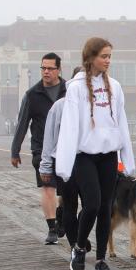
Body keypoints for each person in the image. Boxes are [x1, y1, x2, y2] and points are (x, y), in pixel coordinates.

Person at [55, 38, 134, 270]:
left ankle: (101, 260)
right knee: (91, 204)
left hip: (108, 155)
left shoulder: (116, 87)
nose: (108, 60)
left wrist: (127, 160)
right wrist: (64, 165)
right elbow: (69, 127)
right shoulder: (76, 89)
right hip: (84, 156)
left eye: (110, 56)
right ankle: (79, 248)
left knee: (105, 208)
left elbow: (121, 123)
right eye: (103, 56)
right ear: (90, 58)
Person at [11, 52, 67, 244]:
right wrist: (15, 151)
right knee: (48, 188)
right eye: (43, 68)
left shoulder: (70, 90)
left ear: (59, 69)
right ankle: (52, 228)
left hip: (68, 150)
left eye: (50, 68)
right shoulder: (32, 94)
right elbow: (22, 123)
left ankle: (62, 214)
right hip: (41, 150)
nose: (46, 72)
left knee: (68, 191)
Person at [39, 66, 89, 250]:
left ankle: (78, 232)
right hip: (64, 161)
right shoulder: (59, 106)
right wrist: (45, 166)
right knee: (70, 204)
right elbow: (49, 139)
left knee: (93, 204)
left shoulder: (95, 105)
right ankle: (76, 242)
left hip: (88, 161)